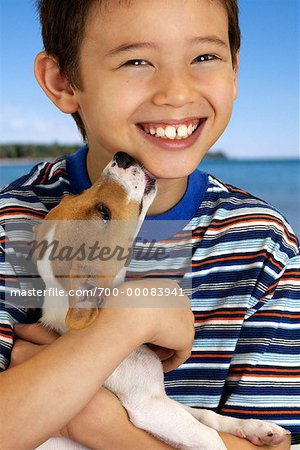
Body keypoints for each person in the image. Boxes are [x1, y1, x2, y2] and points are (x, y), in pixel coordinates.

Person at [0, 0, 298, 448]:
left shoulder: (264, 244)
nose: (176, 93)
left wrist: (100, 424)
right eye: (136, 60)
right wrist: (129, 319)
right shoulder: (12, 227)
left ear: (235, 70)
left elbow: (279, 444)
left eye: (203, 57)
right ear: (63, 82)